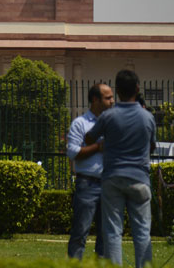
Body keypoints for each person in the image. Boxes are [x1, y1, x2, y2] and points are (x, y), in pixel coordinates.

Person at [85, 70, 157, 268]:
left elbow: (89, 138)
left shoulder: (109, 116)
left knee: (112, 231)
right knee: (142, 232)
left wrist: (107, 142)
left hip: (113, 177)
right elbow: (152, 146)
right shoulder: (147, 117)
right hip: (139, 177)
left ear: (117, 91)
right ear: (137, 89)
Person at [65, 82, 115, 260]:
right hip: (87, 183)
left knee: (106, 235)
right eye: (108, 97)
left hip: (109, 183)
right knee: (80, 232)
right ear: (95, 99)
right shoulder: (80, 124)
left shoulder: (112, 123)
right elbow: (73, 153)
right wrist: (97, 147)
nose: (112, 101)